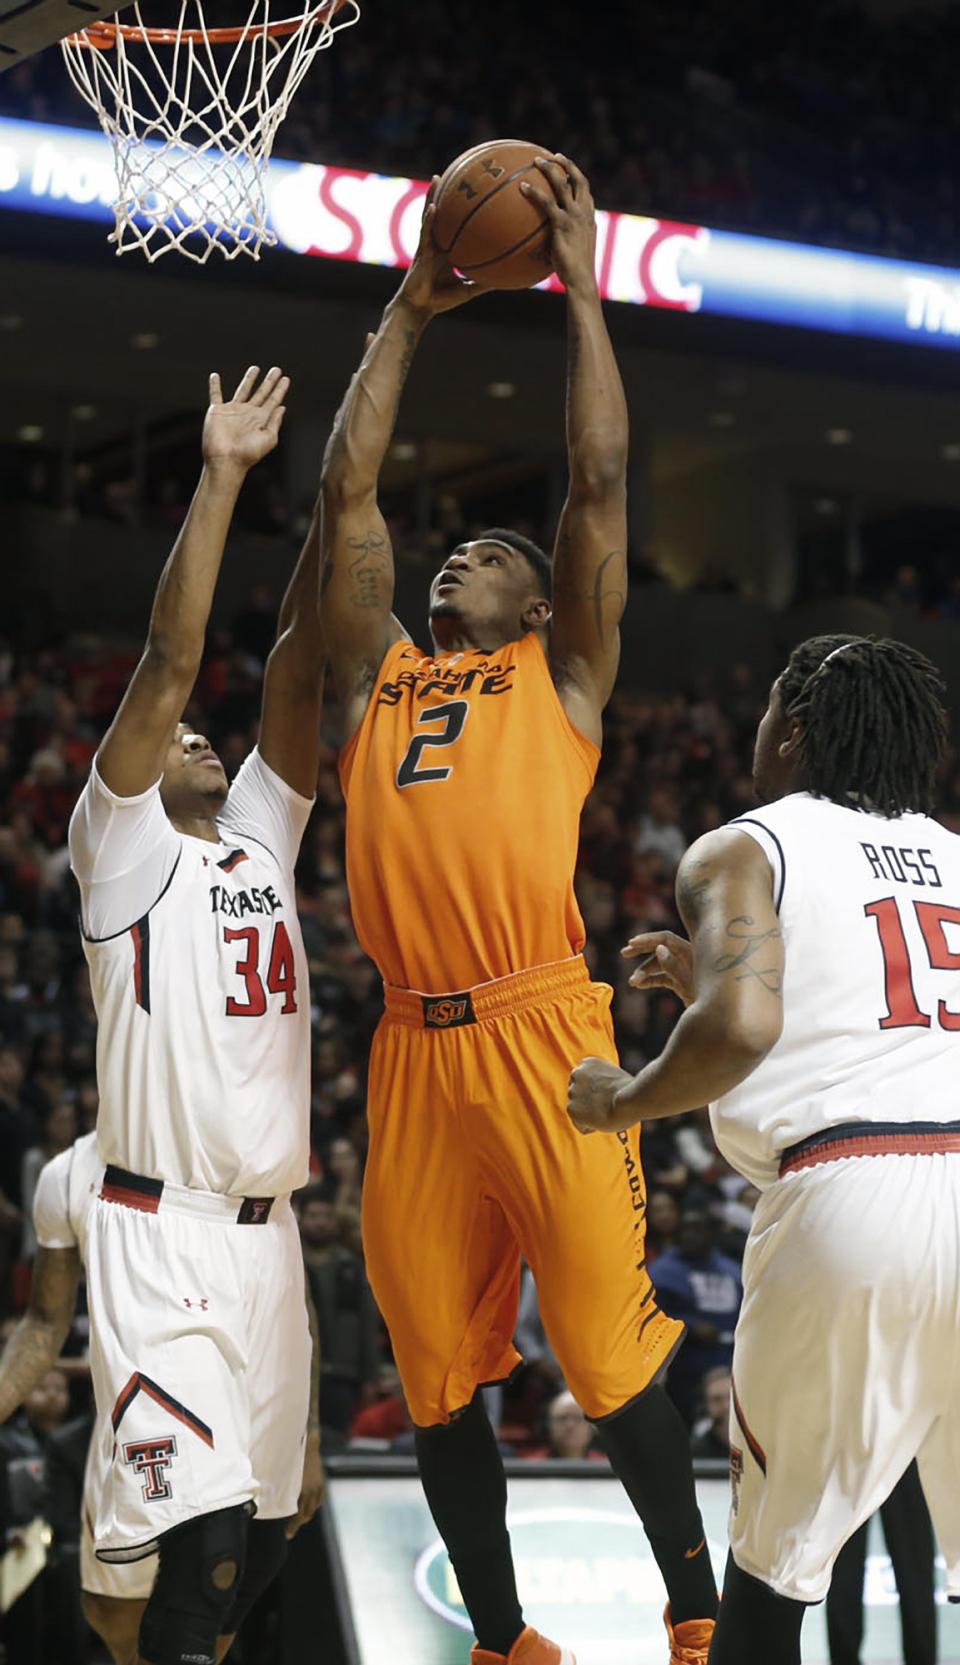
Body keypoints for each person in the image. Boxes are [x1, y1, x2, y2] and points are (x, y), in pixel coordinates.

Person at [320, 158, 718, 1665]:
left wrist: (583, 297)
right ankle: (501, 1642)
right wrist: (413, 309)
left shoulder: (562, 678)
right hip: (413, 1057)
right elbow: (350, 492)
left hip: (551, 1032)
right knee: (434, 1381)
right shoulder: (380, 678)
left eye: (490, 555)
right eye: (461, 549)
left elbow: (599, 485)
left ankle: (694, 1620)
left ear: (537, 605)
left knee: (612, 1371)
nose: (459, 556)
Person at [567, 634, 960, 1664]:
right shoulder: (956, 854)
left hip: (854, 1198)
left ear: (789, 728)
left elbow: (742, 1030)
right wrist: (713, 978)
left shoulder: (744, 846)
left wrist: (624, 1101)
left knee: (771, 1581)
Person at [66, 364, 327, 1665]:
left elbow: (296, 663)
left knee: (257, 1553)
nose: (201, 738)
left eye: (206, 738)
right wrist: (224, 476)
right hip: (158, 1234)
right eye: (177, 739)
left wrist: (336, 503)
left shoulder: (263, 838)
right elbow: (176, 661)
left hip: (270, 1243)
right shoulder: (119, 844)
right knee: (208, 1540)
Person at [0, 1132, 324, 1665]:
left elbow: (293, 1297)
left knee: (222, 1579)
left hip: (238, 1392)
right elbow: (42, 1323)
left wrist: (309, 1437)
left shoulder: (219, 1145)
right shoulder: (66, 1173)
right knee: (114, 1607)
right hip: (135, 1411)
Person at [826, 1460, 936, 1665]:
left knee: (914, 1569)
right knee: (844, 1568)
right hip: (855, 1449)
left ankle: (922, 1657)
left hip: (903, 1447)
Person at [650, 1211, 741, 1426]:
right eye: (685, 1230)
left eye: (697, 1229)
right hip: (684, 1371)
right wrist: (689, 1326)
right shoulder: (662, 1272)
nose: (690, 1236)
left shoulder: (732, 1272)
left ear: (711, 1234)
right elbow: (650, 1316)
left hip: (729, 1366)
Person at [690, 1369, 731, 1463]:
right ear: (705, 1406)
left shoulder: (760, 1443)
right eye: (717, 1399)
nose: (726, 1406)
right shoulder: (695, 1450)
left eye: (731, 1397)